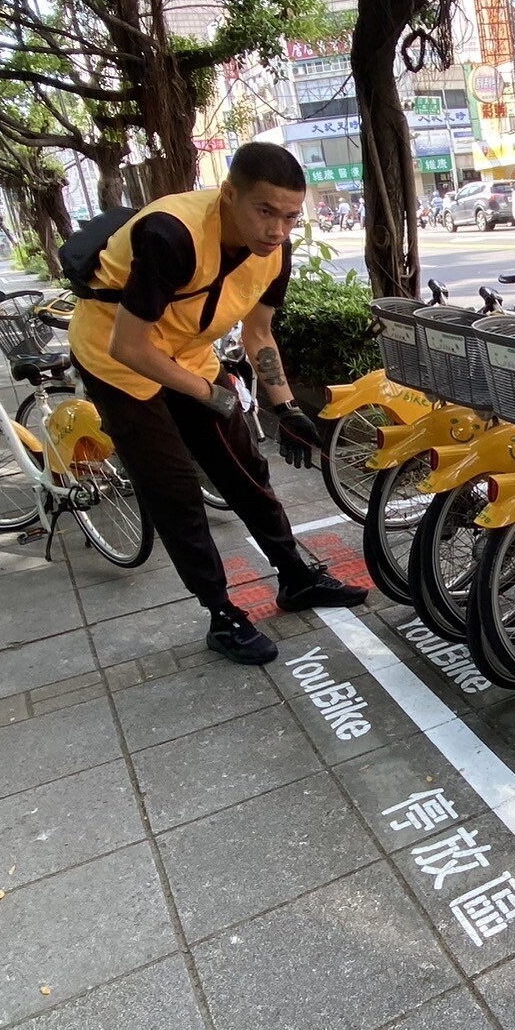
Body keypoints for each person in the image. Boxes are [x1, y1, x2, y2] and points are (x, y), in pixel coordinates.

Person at [67, 142, 366, 666]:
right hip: (119, 362)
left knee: (245, 470)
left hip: (189, 354)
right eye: (265, 211)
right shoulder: (172, 234)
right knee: (175, 490)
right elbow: (128, 345)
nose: (277, 230)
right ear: (229, 195)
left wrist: (287, 405)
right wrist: (211, 395)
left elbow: (258, 330)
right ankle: (221, 613)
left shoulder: (276, 250)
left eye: (291, 217)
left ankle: (295, 578)